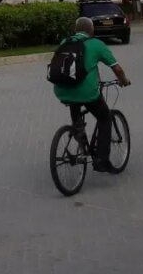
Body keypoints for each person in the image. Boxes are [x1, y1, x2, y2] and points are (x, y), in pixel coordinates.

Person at [52, 17, 131, 172]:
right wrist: (124, 80)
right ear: (92, 30)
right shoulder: (96, 44)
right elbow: (117, 69)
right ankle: (101, 160)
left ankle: (79, 136)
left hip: (62, 90)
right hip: (86, 92)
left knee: (75, 104)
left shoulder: (65, 42)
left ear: (76, 30)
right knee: (105, 117)